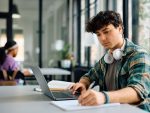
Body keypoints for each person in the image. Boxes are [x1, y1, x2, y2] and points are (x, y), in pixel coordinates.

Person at [70, 11, 150, 112]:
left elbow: (138, 91)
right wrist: (82, 83)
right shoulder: (106, 59)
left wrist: (103, 97)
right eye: (98, 34)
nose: (102, 38)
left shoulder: (138, 55)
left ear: (120, 29)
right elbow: (89, 76)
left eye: (106, 31)